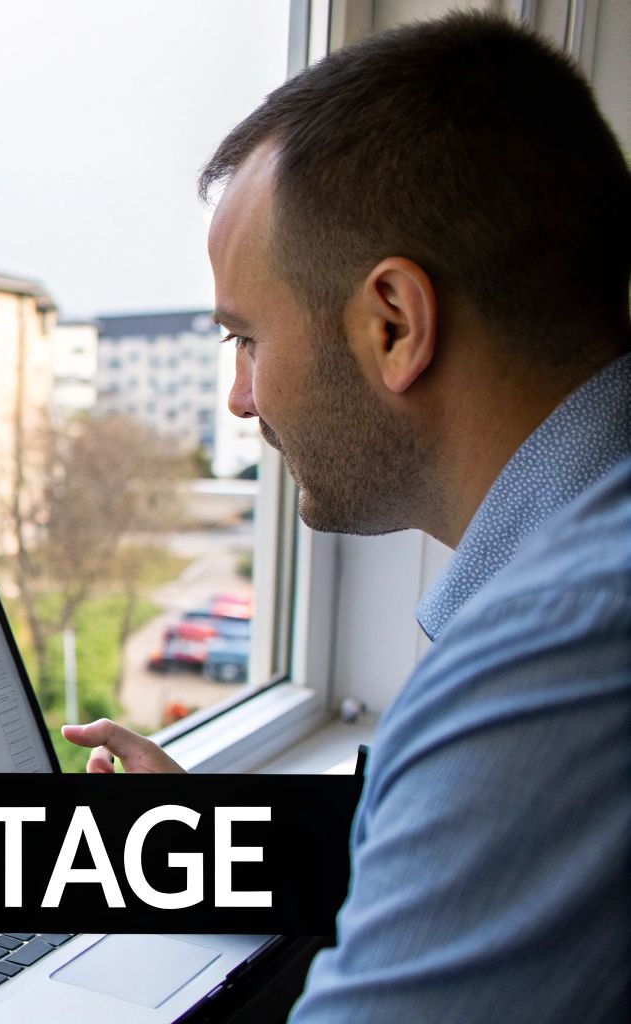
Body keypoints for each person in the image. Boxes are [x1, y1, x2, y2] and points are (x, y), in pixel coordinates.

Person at [60, 12, 631, 1022]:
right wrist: (197, 835)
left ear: (392, 325)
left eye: (244, 338)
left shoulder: (562, 642)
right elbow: (438, 820)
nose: (239, 399)